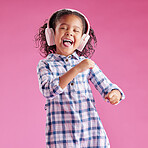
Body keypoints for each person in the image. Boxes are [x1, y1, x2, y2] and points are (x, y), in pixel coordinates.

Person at [35, 8, 125, 148]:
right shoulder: (45, 64)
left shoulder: (86, 64)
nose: (69, 32)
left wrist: (115, 93)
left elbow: (107, 86)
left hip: (91, 131)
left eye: (76, 30)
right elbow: (48, 90)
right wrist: (76, 69)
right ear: (52, 34)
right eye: (63, 28)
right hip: (61, 135)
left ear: (83, 39)